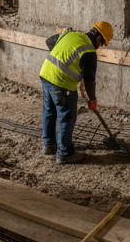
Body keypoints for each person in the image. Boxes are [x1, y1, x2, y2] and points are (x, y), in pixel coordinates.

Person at [39, 20, 113, 164]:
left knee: (49, 111)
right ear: (98, 37)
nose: (100, 47)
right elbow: (89, 80)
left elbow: (50, 42)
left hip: (46, 74)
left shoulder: (70, 34)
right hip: (62, 83)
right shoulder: (89, 51)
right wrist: (93, 99)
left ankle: (48, 145)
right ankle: (65, 153)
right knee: (67, 117)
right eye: (102, 43)